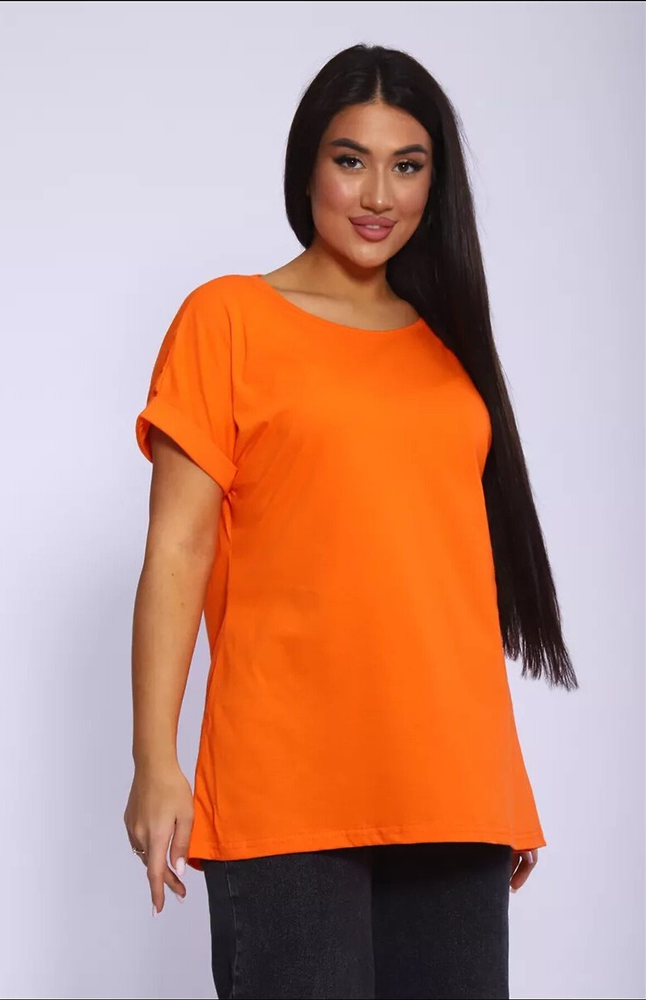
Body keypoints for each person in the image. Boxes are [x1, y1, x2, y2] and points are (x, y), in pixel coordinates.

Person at [124, 43, 578, 1000]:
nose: (377, 194)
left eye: (406, 165)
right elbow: (177, 548)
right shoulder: (228, 319)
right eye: (350, 160)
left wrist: (504, 788)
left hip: (453, 788)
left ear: (434, 185)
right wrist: (154, 761)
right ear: (307, 169)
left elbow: (448, 581)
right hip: (284, 785)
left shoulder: (449, 352)